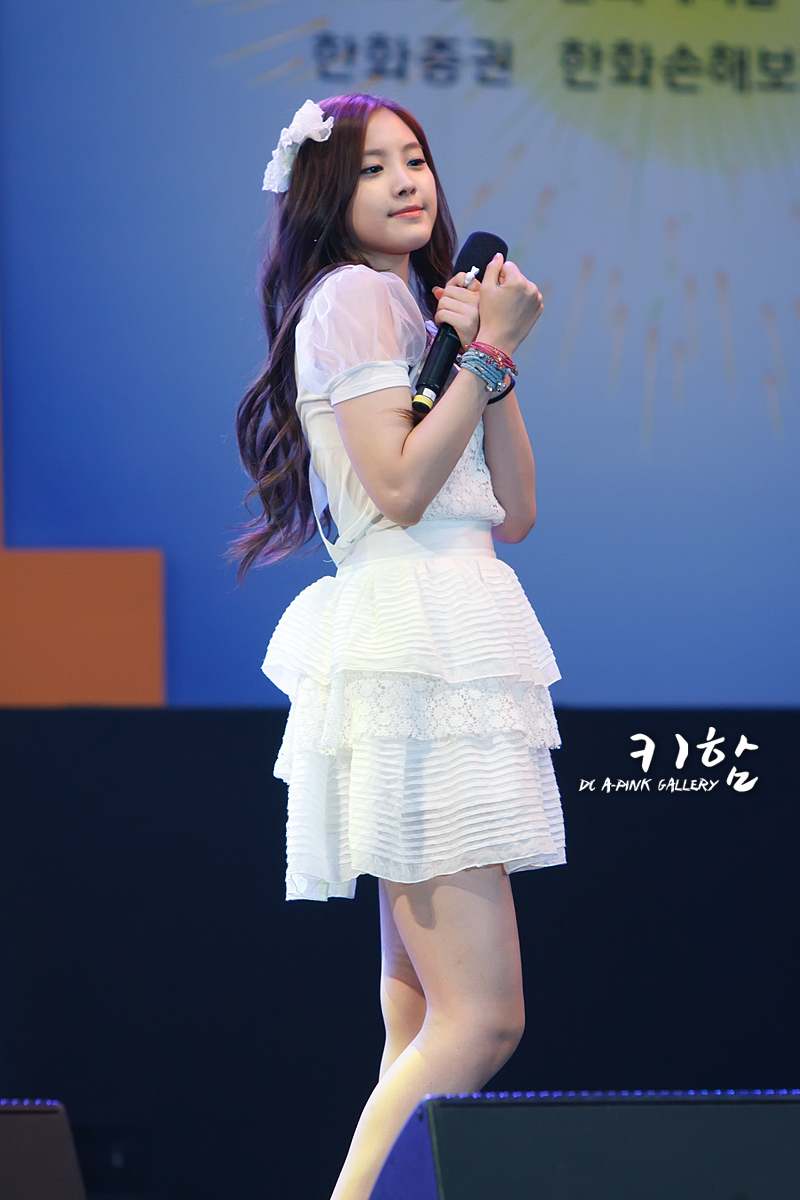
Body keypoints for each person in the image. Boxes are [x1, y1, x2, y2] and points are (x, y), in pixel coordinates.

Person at [234, 92, 565, 1200]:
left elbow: (514, 510)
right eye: (373, 167)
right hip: (416, 647)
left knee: (422, 1022)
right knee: (482, 1020)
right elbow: (399, 489)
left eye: (414, 158)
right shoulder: (352, 298)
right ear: (328, 196)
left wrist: (480, 351)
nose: (405, 181)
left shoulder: (410, 309)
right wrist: (483, 355)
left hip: (447, 636)